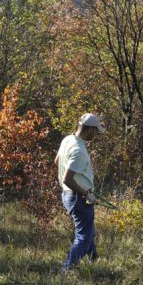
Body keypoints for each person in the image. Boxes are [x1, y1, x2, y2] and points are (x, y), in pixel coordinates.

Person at [56, 113, 104, 270]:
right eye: (96, 131)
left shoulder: (68, 140)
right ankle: (66, 270)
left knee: (89, 229)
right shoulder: (78, 150)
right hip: (78, 196)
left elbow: (57, 160)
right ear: (89, 129)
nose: (96, 135)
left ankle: (94, 260)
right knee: (84, 238)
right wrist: (86, 193)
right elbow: (67, 179)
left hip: (71, 195)